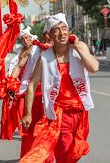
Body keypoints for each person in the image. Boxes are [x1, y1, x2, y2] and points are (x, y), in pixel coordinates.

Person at [21, 13, 99, 163]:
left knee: (74, 153)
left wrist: (77, 47)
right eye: (56, 30)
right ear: (50, 35)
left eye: (64, 28)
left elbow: (94, 67)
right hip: (59, 114)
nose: (61, 33)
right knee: (65, 153)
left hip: (81, 113)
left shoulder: (79, 47)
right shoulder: (45, 58)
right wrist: (28, 113)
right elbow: (31, 85)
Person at [8, 25, 54, 159]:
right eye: (48, 33)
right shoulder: (32, 49)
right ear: (43, 34)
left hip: (50, 96)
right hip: (30, 93)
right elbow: (18, 66)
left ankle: (45, 158)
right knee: (29, 130)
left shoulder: (58, 49)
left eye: (26, 38)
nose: (24, 41)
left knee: (48, 131)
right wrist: (11, 82)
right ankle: (30, 157)